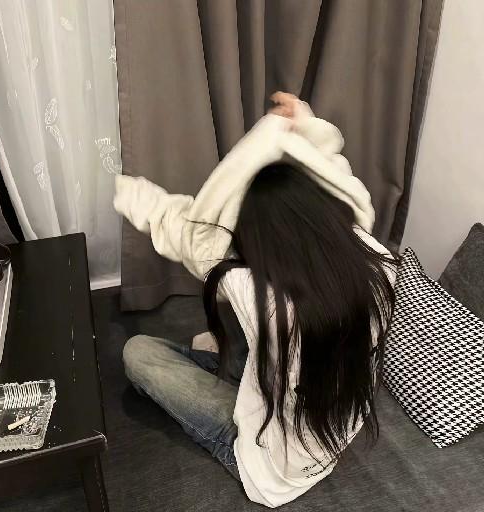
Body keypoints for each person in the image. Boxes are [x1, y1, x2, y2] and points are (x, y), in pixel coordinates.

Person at [114, 92, 397, 508]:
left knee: (138, 352)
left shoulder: (260, 296)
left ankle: (226, 373)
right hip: (329, 436)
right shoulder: (377, 260)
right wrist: (303, 125)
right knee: (237, 338)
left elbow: (197, 236)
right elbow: (344, 182)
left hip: (266, 469)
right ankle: (234, 365)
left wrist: (124, 190)